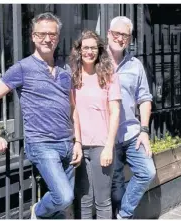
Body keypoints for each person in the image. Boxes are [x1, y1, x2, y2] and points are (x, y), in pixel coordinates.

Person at [0, 12, 82, 219]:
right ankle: (37, 211)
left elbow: (73, 107)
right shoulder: (22, 68)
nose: (48, 39)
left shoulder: (65, 68)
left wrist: (78, 142)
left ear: (58, 37)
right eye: (42, 34)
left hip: (66, 143)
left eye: (52, 35)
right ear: (33, 37)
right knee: (63, 197)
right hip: (42, 144)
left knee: (65, 202)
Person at [107, 16, 156, 219]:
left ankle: (124, 215)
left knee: (147, 171)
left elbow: (144, 99)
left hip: (131, 132)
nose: (120, 38)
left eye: (125, 35)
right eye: (116, 34)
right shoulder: (96, 62)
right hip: (106, 137)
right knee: (115, 188)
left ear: (130, 38)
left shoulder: (135, 65)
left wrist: (144, 131)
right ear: (109, 34)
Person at [69, 30, 121, 219]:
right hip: (80, 146)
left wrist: (109, 146)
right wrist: (77, 142)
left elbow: (115, 112)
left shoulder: (109, 76)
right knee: (83, 199)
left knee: (102, 200)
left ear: (99, 51)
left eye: (93, 48)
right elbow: (72, 111)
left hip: (101, 145)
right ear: (79, 50)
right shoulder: (73, 77)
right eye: (85, 48)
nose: (89, 52)